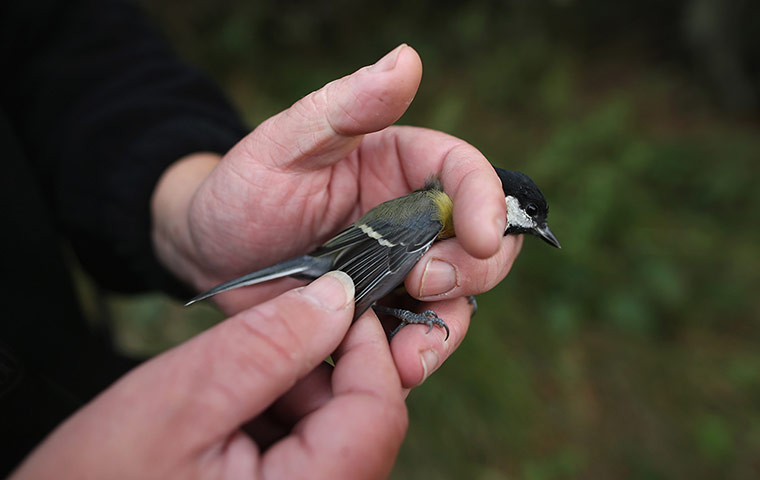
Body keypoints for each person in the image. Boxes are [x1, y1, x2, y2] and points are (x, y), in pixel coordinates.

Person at [2, 2, 523, 478]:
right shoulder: (429, 212)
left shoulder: (436, 210)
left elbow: (62, 44)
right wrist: (369, 308)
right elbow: (369, 268)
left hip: (73, 376)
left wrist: (182, 208)